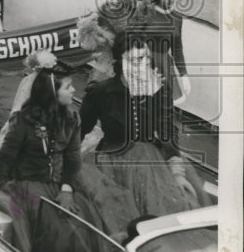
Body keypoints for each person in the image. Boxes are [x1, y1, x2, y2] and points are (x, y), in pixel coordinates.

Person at [79, 29, 211, 237]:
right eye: (135, 59)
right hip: (111, 161)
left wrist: (176, 173)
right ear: (120, 61)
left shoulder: (158, 89)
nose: (142, 65)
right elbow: (80, 130)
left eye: (145, 58)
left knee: (174, 208)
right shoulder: (100, 93)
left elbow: (167, 132)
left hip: (152, 162)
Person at [0, 69, 106, 252]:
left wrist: (67, 189)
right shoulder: (23, 120)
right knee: (56, 232)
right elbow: (6, 157)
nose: (74, 90)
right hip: (26, 186)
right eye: (68, 87)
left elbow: (72, 159)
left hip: (57, 186)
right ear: (52, 93)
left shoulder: (72, 118)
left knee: (80, 229)